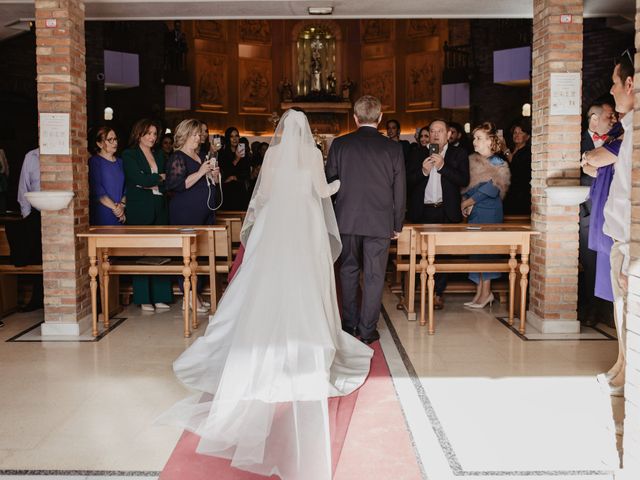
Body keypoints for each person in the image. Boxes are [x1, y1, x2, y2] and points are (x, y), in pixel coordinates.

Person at [158, 109, 373, 480]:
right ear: (305, 132)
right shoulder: (310, 155)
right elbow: (322, 192)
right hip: (303, 225)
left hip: (276, 225)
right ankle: (304, 338)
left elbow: (264, 195)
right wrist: (341, 185)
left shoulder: (272, 155)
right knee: (303, 281)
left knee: (265, 281)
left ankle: (259, 336)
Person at [326, 95, 406, 343]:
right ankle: (368, 329)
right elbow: (400, 189)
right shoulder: (393, 147)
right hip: (380, 221)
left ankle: (349, 325)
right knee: (374, 276)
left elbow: (329, 182)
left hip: (346, 219)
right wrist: (397, 224)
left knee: (348, 271)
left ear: (355, 118)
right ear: (380, 118)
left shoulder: (340, 145)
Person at [598, 50, 635, 396]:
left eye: (614, 84)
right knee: (620, 309)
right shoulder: (629, 128)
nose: (611, 92)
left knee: (626, 309)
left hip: (629, 238)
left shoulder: (635, 131)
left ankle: (627, 372)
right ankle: (622, 364)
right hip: (621, 235)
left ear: (629, 82)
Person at [407, 119, 470, 309]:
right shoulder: (417, 153)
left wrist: (443, 167)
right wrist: (423, 172)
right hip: (423, 210)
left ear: (448, 134)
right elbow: (407, 181)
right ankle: (418, 290)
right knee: (419, 254)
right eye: (432, 131)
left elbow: (464, 179)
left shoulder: (458, 153)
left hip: (445, 211)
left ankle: (437, 293)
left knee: (441, 256)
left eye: (439, 131)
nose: (435, 134)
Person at [166, 119, 220, 313]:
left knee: (200, 255)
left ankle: (195, 294)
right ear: (185, 134)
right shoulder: (177, 157)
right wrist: (200, 172)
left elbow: (207, 182)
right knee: (187, 256)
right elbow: (177, 185)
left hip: (204, 212)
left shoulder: (201, 155)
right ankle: (188, 296)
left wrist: (214, 175)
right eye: (195, 134)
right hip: (185, 212)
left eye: (199, 134)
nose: (199, 138)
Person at [122, 119, 173, 312]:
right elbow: (138, 179)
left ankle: (161, 296)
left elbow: (166, 180)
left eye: (154, 134)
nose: (152, 137)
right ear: (139, 134)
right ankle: (143, 297)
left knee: (160, 253)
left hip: (159, 207)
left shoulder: (159, 154)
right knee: (141, 253)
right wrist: (157, 178)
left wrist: (153, 180)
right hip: (139, 209)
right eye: (148, 133)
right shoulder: (129, 154)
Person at [461, 122, 511, 308]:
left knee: (486, 253)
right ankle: (479, 293)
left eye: (479, 138)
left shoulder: (498, 162)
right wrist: (465, 201)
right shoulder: (472, 161)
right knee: (476, 252)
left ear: (491, 141)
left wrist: (467, 202)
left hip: (490, 213)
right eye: (474, 138)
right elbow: (468, 186)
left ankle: (486, 292)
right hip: (476, 213)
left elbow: (491, 188)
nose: (475, 141)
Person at [578, 101, 616, 326]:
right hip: (588, 210)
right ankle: (592, 310)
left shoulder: (615, 140)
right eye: (608, 116)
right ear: (594, 119)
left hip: (611, 209)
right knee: (591, 262)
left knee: (610, 261)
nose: (612, 120)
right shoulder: (576, 140)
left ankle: (609, 312)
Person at [8, 148, 43, 311]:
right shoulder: (31, 157)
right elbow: (24, 189)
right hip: (36, 214)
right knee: (37, 255)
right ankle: (37, 298)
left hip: (61, 213)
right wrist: (28, 216)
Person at [88, 127, 126, 226]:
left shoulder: (120, 162)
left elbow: (126, 188)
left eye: (116, 139)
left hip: (120, 214)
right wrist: (116, 209)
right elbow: (97, 190)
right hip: (103, 212)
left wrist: (122, 206)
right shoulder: (94, 162)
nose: (115, 143)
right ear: (99, 144)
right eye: (110, 140)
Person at [502, 122, 532, 215]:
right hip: (507, 191)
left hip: (520, 193)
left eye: (520, 133)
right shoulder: (511, 150)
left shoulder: (527, 152)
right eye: (515, 133)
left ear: (527, 137)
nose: (517, 135)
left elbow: (516, 166)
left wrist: (505, 150)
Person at [218, 126, 250, 210]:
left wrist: (234, 177)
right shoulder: (222, 153)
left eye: (236, 136)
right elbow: (224, 173)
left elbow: (246, 173)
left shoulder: (243, 153)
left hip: (240, 190)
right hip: (227, 191)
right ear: (228, 138)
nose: (235, 139)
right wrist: (236, 159)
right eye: (231, 136)